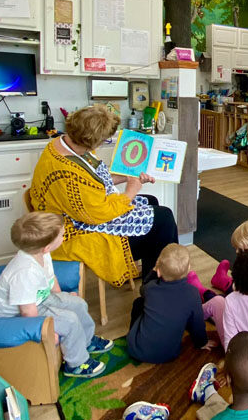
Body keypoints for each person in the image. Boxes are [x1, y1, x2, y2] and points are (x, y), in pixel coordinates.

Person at [29, 105, 178, 286]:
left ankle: (153, 272)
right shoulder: (67, 171)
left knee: (152, 204)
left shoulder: (63, 145)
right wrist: (131, 190)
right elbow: (99, 213)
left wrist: (128, 177)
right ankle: (160, 285)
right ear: (89, 141)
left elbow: (96, 179)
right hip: (75, 231)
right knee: (164, 219)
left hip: (81, 213)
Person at [0, 211, 113, 378]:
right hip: (15, 317)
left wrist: (63, 297)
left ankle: (86, 340)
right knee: (69, 320)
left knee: (78, 304)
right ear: (46, 246)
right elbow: (27, 313)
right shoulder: (24, 272)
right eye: (62, 235)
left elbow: (50, 278)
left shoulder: (42, 254)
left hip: (38, 300)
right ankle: (76, 364)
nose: (64, 237)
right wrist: (44, 332)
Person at [126, 243, 210, 363]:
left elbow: (142, 289)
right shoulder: (192, 293)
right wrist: (202, 342)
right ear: (189, 269)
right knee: (185, 311)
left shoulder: (150, 288)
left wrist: (154, 270)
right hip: (169, 354)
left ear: (158, 272)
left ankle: (133, 333)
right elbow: (197, 322)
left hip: (135, 350)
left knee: (138, 302)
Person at [187, 218, 248, 298]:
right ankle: (221, 279)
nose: (237, 252)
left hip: (247, 302)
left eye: (239, 249)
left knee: (218, 300)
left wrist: (234, 286)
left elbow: (239, 290)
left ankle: (203, 293)